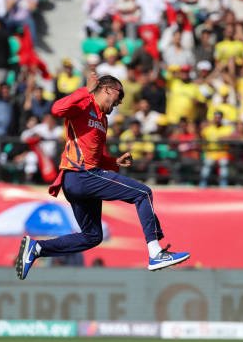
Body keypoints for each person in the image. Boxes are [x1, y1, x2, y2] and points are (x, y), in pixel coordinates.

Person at [15, 74, 189, 280]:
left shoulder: (103, 120)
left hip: (81, 179)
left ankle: (36, 249)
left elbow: (95, 156)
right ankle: (155, 252)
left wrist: (113, 162)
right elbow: (56, 109)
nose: (120, 101)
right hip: (81, 175)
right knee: (143, 193)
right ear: (107, 89)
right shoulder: (83, 103)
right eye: (119, 94)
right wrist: (85, 90)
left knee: (93, 236)